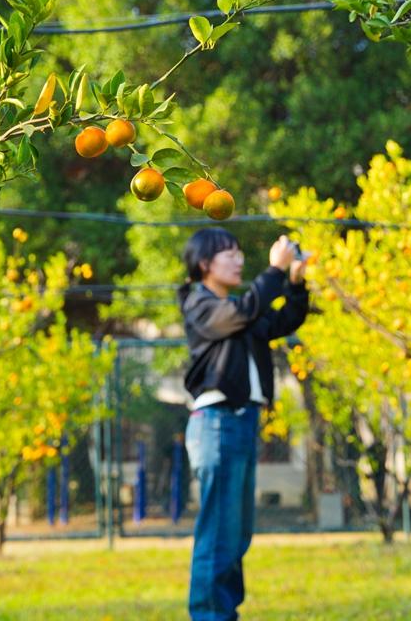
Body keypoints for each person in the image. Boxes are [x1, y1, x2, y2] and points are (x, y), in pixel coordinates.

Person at [179, 228, 309, 621]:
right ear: (205, 264)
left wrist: (296, 284)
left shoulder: (240, 310)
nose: (238, 260)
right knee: (218, 531)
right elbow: (245, 312)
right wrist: (273, 271)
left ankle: (225, 613)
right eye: (229, 254)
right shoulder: (200, 304)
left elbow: (281, 321)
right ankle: (209, 615)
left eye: (240, 254)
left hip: (241, 422)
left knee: (236, 534)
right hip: (217, 423)